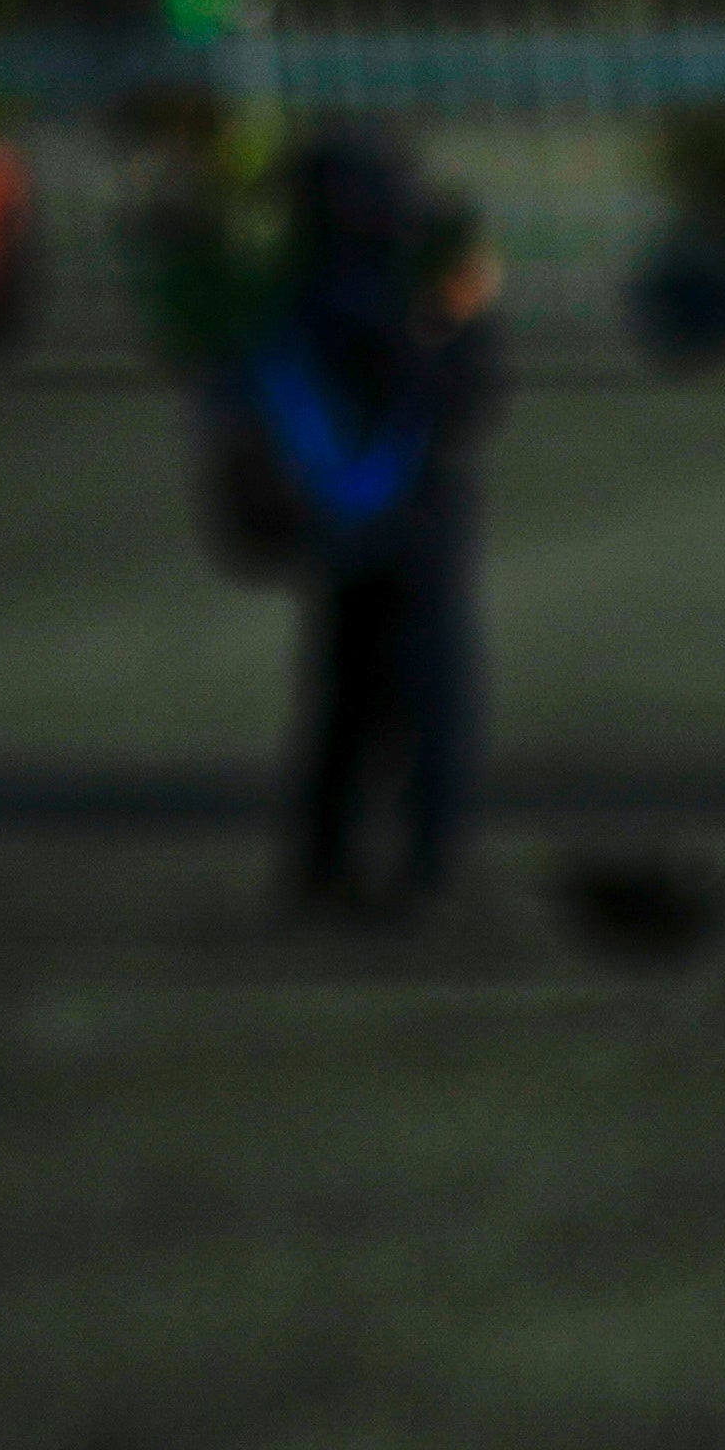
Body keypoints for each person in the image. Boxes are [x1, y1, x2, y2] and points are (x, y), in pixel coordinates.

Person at [222, 129, 498, 919]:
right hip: (410, 519)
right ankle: (417, 860)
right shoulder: (409, 284)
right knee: (420, 694)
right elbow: (464, 399)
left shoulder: (297, 292)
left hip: (345, 519)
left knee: (350, 695)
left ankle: (334, 860)